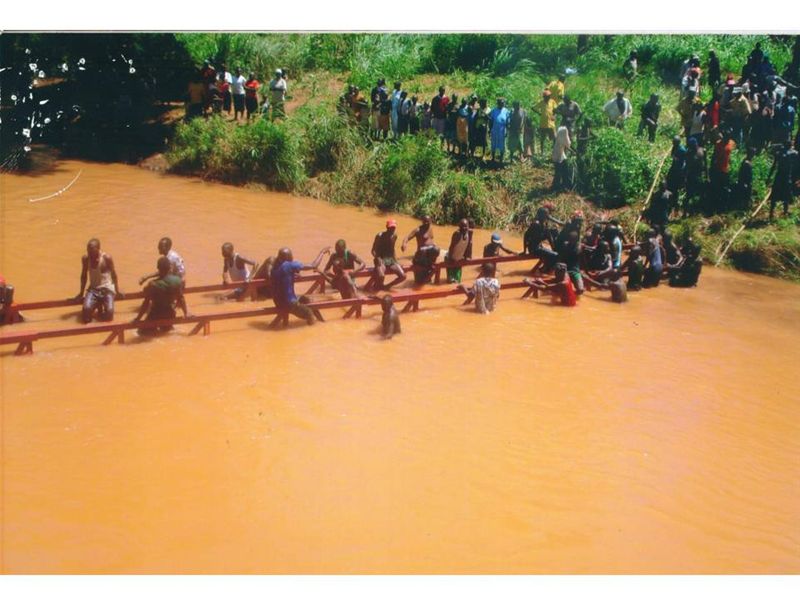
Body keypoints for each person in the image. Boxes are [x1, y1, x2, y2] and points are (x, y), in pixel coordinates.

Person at [270, 247, 330, 326]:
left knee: (307, 300)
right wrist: (322, 252)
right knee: (310, 314)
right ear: (288, 257)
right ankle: (313, 330)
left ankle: (322, 322)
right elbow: (313, 265)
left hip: (278, 302)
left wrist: (292, 274)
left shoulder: (275, 267)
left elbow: (282, 275)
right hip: (289, 303)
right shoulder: (289, 265)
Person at [131, 256, 190, 335]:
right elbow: (181, 298)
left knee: (141, 333)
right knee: (166, 333)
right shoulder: (177, 281)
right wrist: (186, 313)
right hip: (170, 313)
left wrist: (138, 318)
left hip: (156, 314)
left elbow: (146, 303)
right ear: (170, 268)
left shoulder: (153, 285)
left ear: (158, 268)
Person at [75, 238, 122, 324]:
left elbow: (114, 275)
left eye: (91, 250)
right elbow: (83, 276)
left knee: (109, 314)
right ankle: (96, 308)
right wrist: (81, 293)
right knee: (86, 312)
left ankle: (100, 313)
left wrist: (117, 291)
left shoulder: (107, 258)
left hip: (107, 289)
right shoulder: (86, 259)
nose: (89, 252)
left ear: (98, 249)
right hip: (93, 289)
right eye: (88, 249)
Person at [370, 220, 407, 290]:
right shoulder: (379, 236)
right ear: (387, 227)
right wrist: (377, 258)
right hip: (380, 258)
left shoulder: (395, 236)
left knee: (403, 276)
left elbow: (392, 250)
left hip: (390, 259)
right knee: (381, 276)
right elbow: (373, 250)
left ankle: (387, 286)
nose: (392, 229)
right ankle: (377, 287)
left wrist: (396, 261)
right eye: (390, 228)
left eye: (393, 228)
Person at [523, 205, 559, 274]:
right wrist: (524, 250)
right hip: (534, 249)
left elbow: (548, 236)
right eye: (546, 215)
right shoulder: (536, 224)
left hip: (539, 247)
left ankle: (545, 268)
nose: (548, 216)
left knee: (552, 231)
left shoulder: (543, 223)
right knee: (555, 255)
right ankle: (545, 270)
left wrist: (553, 247)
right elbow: (526, 235)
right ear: (542, 215)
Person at [768, 140, 799, 220]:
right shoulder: (793, 154)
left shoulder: (779, 154)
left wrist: (769, 177)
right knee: (786, 196)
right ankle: (785, 212)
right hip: (786, 176)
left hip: (779, 176)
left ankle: (771, 213)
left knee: (775, 195)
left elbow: (774, 166)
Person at [709, 129, 736, 212]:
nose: (727, 139)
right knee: (717, 188)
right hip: (718, 169)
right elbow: (714, 157)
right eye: (726, 137)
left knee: (725, 188)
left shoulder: (731, 143)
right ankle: (715, 206)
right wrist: (711, 168)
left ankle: (723, 207)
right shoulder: (718, 144)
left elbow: (733, 154)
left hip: (726, 170)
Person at [684, 137, 707, 215]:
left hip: (699, 175)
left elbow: (705, 164)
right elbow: (687, 167)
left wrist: (707, 176)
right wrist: (685, 178)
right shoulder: (688, 154)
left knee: (700, 194)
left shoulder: (702, 151)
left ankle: (695, 211)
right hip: (691, 176)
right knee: (689, 195)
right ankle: (685, 212)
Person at [445, 219, 472, 283]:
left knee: (458, 281)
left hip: (459, 259)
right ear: (459, 226)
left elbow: (469, 245)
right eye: (462, 226)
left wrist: (468, 257)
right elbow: (451, 247)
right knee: (450, 282)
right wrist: (450, 259)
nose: (464, 228)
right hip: (450, 258)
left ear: (468, 226)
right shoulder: (457, 234)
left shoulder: (469, 233)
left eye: (466, 226)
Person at [532, 90, 557, 155]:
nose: (548, 97)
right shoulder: (541, 103)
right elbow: (533, 108)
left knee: (554, 138)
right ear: (544, 97)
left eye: (549, 96)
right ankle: (542, 152)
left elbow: (555, 110)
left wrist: (554, 116)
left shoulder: (552, 102)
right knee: (542, 139)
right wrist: (539, 113)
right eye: (546, 96)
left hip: (551, 124)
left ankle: (554, 152)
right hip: (543, 124)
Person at [488, 98, 510, 163]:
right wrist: (490, 130)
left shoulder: (506, 111)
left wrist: (507, 131)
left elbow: (507, 122)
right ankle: (493, 158)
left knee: (502, 145)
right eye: (500, 103)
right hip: (494, 130)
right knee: (493, 144)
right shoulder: (494, 111)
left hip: (502, 131)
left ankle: (501, 159)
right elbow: (491, 121)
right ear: (498, 103)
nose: (502, 104)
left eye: (503, 103)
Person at [551, 125, 572, 191]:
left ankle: (559, 185)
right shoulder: (563, 137)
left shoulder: (559, 137)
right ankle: (557, 186)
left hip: (558, 155)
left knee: (561, 171)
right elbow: (568, 144)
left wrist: (571, 150)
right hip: (558, 157)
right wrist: (573, 151)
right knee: (559, 172)